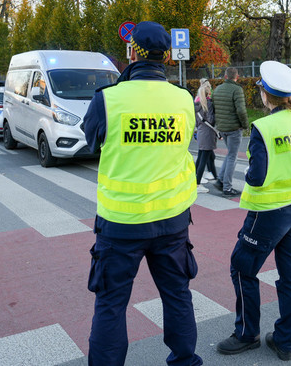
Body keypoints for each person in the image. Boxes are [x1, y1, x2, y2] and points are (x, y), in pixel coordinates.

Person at [82, 21, 203, 366]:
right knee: (178, 296)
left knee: (111, 304)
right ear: (166, 56)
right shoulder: (183, 99)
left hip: (121, 224)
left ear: (132, 52)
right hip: (172, 221)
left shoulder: (108, 99)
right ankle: (185, 361)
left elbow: (92, 140)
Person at [216, 61, 291, 362]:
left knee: (242, 268)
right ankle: (285, 341)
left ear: (265, 95)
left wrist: (247, 177)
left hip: (268, 213)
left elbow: (257, 176)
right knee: (290, 274)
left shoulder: (264, 128)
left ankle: (247, 334)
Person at [212, 67, 248, 197]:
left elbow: (214, 109)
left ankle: (221, 180)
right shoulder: (237, 89)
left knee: (230, 154)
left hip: (222, 127)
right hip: (234, 128)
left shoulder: (217, 89)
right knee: (233, 156)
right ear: (236, 77)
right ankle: (227, 187)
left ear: (225, 76)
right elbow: (241, 110)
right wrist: (245, 125)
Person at [194, 78, 218, 193]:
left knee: (201, 156)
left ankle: (195, 179)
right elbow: (211, 120)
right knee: (203, 159)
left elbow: (197, 121)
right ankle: (197, 184)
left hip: (201, 132)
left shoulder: (197, 104)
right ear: (209, 93)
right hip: (208, 134)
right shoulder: (208, 104)